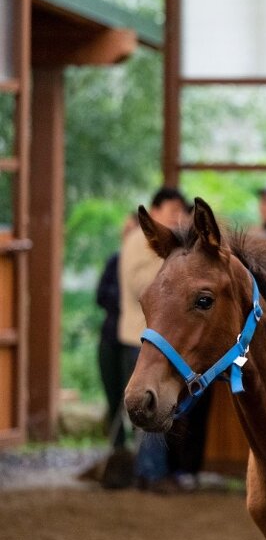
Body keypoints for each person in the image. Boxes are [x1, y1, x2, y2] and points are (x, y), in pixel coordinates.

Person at [119, 186, 211, 493]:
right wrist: (174, 280)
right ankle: (151, 473)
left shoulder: (166, 246)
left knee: (157, 405)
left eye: (180, 212)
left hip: (156, 338)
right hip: (140, 337)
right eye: (171, 211)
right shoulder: (139, 241)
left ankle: (154, 471)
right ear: (154, 211)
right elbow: (142, 286)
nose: (177, 217)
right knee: (147, 405)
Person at [96, 212, 137, 453]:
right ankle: (118, 450)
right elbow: (100, 295)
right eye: (125, 230)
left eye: (132, 230)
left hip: (132, 341)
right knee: (113, 396)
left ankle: (138, 455)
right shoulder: (116, 260)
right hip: (111, 338)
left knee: (131, 399)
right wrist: (123, 300)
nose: (127, 235)